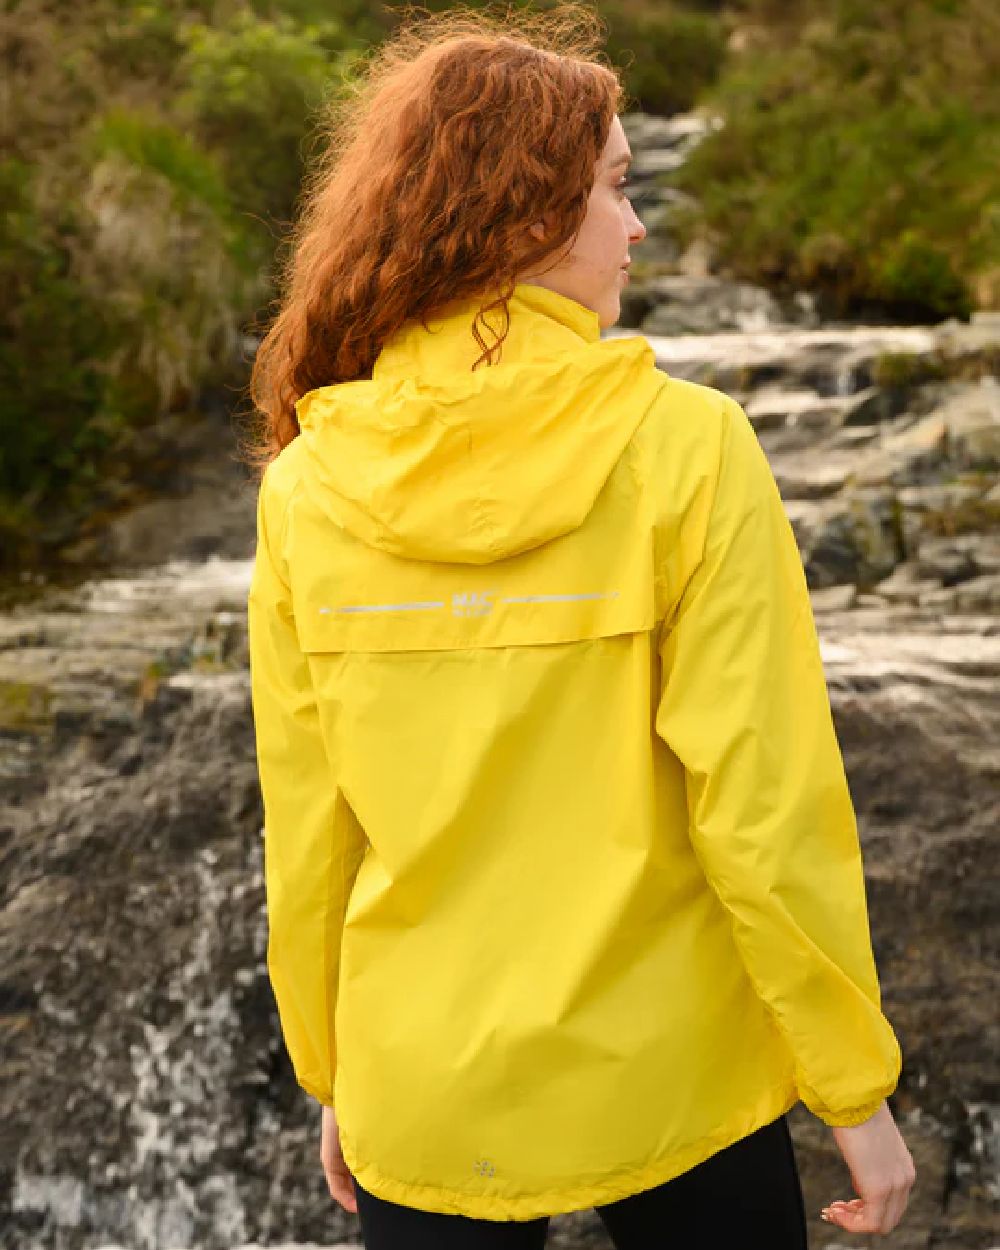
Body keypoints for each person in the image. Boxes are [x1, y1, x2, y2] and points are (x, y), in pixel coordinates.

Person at [245, 7, 916, 1247]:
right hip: (676, 1070)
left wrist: (337, 1065)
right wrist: (852, 1087)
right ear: (525, 214)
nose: (637, 225)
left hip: (426, 1084)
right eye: (614, 189)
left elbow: (310, 831)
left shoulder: (309, 480)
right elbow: (763, 806)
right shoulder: (688, 445)